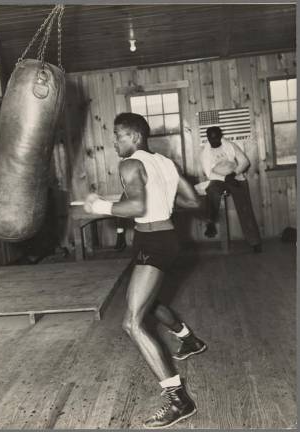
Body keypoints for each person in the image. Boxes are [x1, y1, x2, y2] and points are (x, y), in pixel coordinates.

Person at [84, 112, 206, 428]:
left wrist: (98, 205)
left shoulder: (130, 163)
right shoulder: (165, 163)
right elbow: (193, 201)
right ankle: (188, 339)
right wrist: (162, 203)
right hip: (163, 238)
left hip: (153, 241)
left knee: (132, 322)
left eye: (118, 135)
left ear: (135, 136)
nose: (114, 142)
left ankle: (180, 401)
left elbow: (136, 207)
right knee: (146, 300)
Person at [200, 126, 262, 253]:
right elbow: (208, 173)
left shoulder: (231, 145)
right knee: (211, 191)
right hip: (218, 179)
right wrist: (225, 179)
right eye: (211, 138)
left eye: (216, 137)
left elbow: (245, 162)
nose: (214, 140)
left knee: (245, 209)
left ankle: (254, 242)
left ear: (220, 135)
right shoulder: (205, 153)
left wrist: (233, 174)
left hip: (236, 177)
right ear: (208, 138)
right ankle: (210, 222)